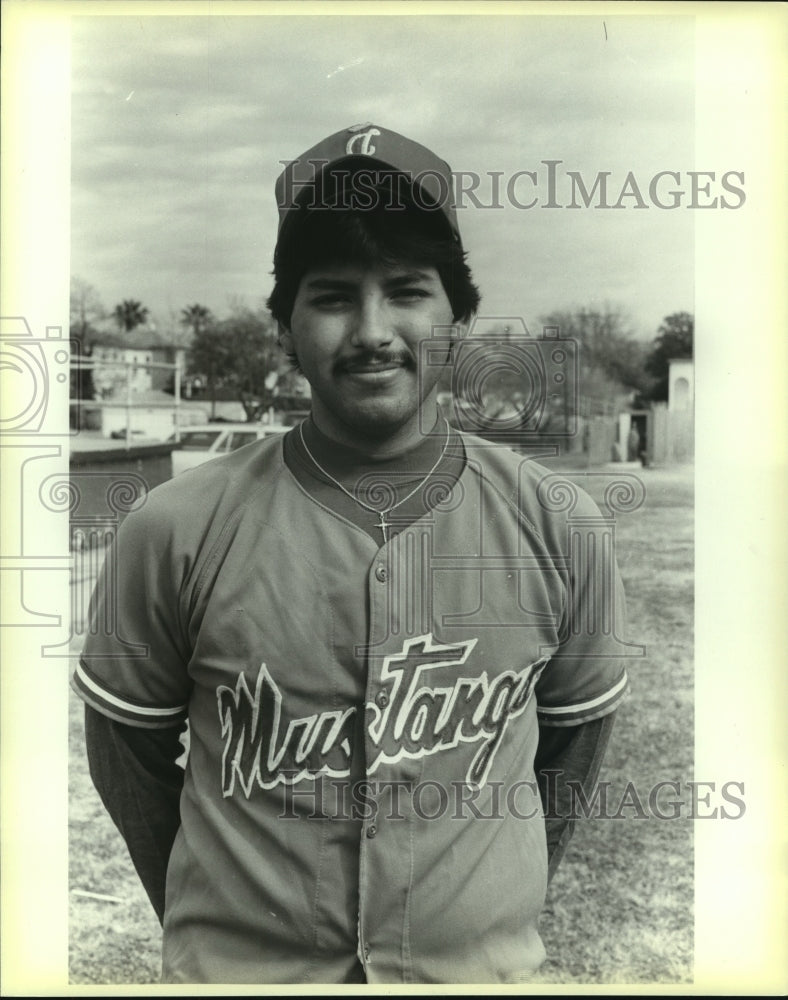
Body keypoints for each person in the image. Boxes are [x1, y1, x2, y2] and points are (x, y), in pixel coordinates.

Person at [73, 124, 629, 985]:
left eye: (408, 290)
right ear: (286, 327)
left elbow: (574, 741)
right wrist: (218, 923)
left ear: (460, 316)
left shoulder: (560, 524)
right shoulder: (173, 527)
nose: (372, 330)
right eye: (332, 296)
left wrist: (484, 908)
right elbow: (127, 753)